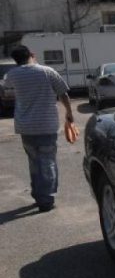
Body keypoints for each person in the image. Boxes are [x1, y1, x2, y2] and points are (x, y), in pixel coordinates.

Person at [5, 45, 74, 212]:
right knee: (47, 162)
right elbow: (63, 93)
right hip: (46, 125)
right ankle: (46, 199)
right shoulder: (47, 71)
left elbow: (8, 87)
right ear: (32, 55)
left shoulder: (12, 75)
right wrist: (69, 114)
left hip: (25, 126)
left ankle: (38, 194)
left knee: (34, 162)